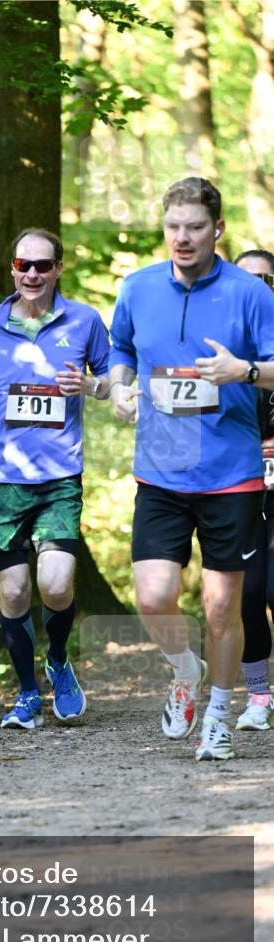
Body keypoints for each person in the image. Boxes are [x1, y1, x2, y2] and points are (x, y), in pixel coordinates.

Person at [109, 177, 274, 762]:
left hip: (231, 473)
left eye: (195, 227)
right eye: (174, 226)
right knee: (154, 598)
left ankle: (221, 715)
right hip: (160, 471)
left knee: (222, 607)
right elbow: (120, 351)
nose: (183, 238)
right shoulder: (138, 287)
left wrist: (245, 372)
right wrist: (122, 389)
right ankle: (186, 668)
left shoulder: (250, 293)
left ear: (218, 230)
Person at [0, 228, 110, 729]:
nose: (33, 274)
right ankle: (26, 693)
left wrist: (89, 384)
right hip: (3, 479)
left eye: (43, 265)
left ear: (59, 268)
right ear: (12, 269)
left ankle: (58, 660)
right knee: (15, 594)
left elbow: (114, 385)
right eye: (24, 265)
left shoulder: (84, 320)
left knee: (57, 588)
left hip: (60, 476)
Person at [234, 249, 274, 730]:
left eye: (267, 278)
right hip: (237, 488)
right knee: (247, 594)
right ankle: (259, 695)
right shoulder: (220, 349)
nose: (258, 287)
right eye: (249, 280)